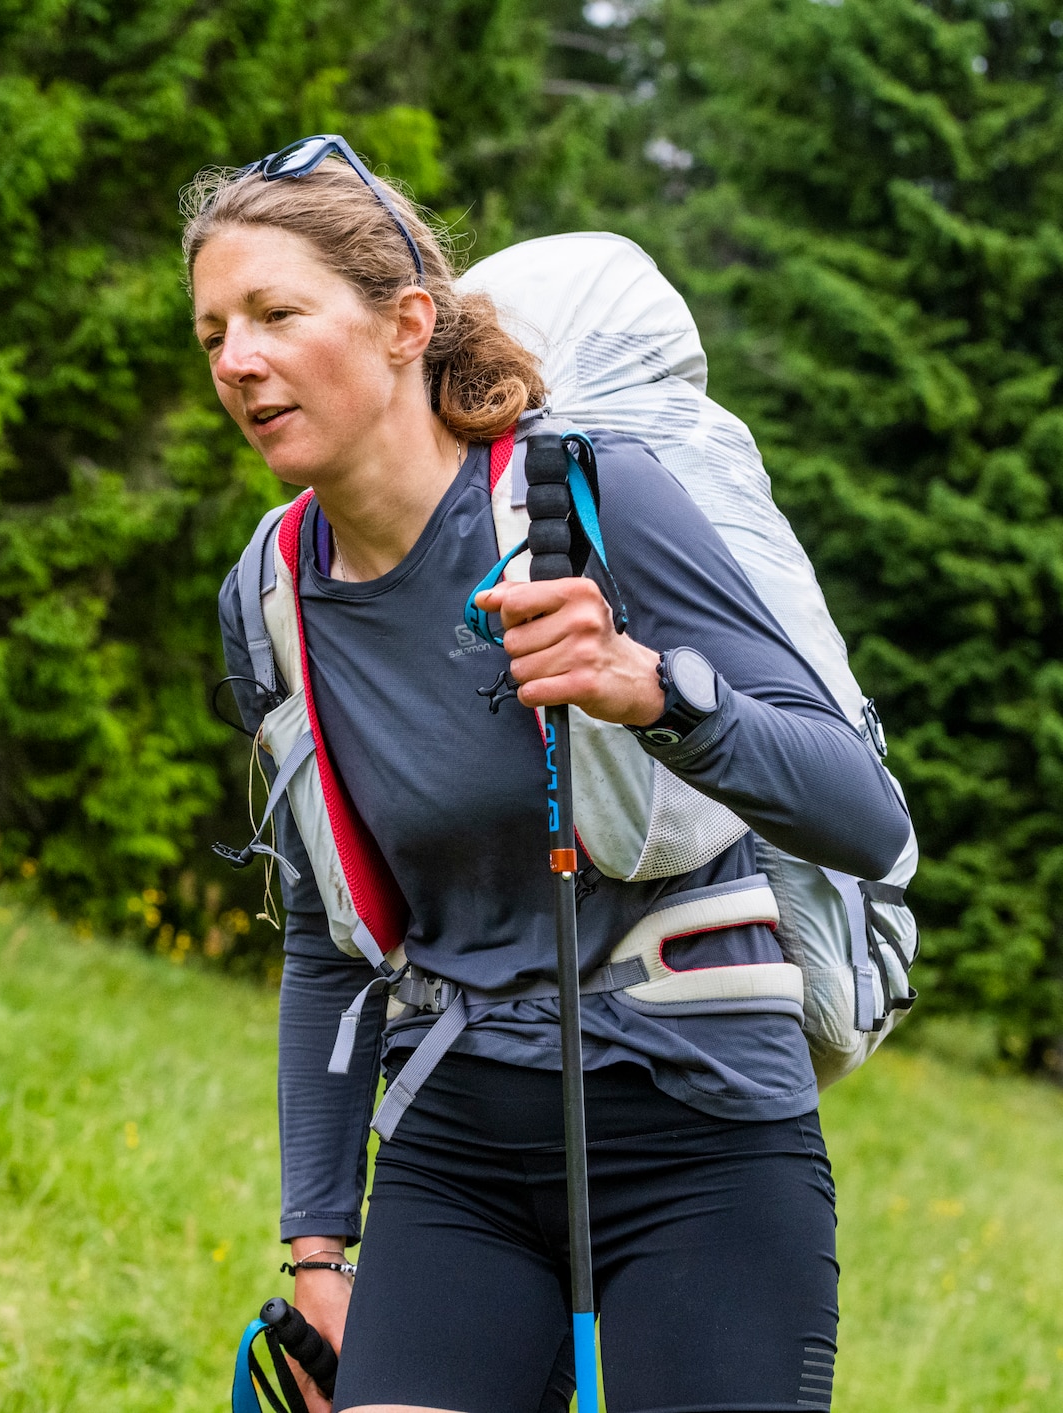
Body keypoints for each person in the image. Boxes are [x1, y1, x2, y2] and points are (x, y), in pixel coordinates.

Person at [190, 144, 910, 1412]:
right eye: (212, 333)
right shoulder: (269, 592)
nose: (235, 362)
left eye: (274, 316)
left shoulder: (590, 500)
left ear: (407, 325)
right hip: (452, 1147)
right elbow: (326, 933)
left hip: (699, 1134)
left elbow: (859, 814)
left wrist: (652, 690)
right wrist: (316, 1245)